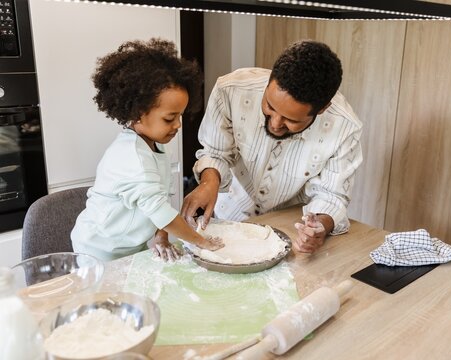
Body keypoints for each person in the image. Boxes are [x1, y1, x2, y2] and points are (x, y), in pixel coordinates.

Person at [181, 40, 362, 254]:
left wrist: (318, 227)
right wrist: (208, 183)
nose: (275, 123)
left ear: (322, 109)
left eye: (290, 119)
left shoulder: (344, 127)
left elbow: (332, 195)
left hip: (289, 230)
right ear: (269, 82)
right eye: (269, 106)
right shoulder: (230, 91)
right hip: (228, 214)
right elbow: (216, 152)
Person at [71, 38, 223, 262]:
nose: (178, 125)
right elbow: (163, 214)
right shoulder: (133, 159)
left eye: (180, 116)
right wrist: (201, 242)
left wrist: (162, 238)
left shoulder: (157, 146)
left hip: (131, 246)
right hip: (99, 251)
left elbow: (160, 203)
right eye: (170, 118)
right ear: (136, 113)